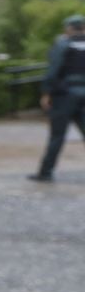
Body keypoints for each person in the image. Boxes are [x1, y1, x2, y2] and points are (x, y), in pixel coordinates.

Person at [31, 13, 85, 182]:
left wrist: (46, 92)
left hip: (65, 96)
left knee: (57, 136)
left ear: (68, 28)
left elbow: (53, 71)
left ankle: (45, 172)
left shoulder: (63, 44)